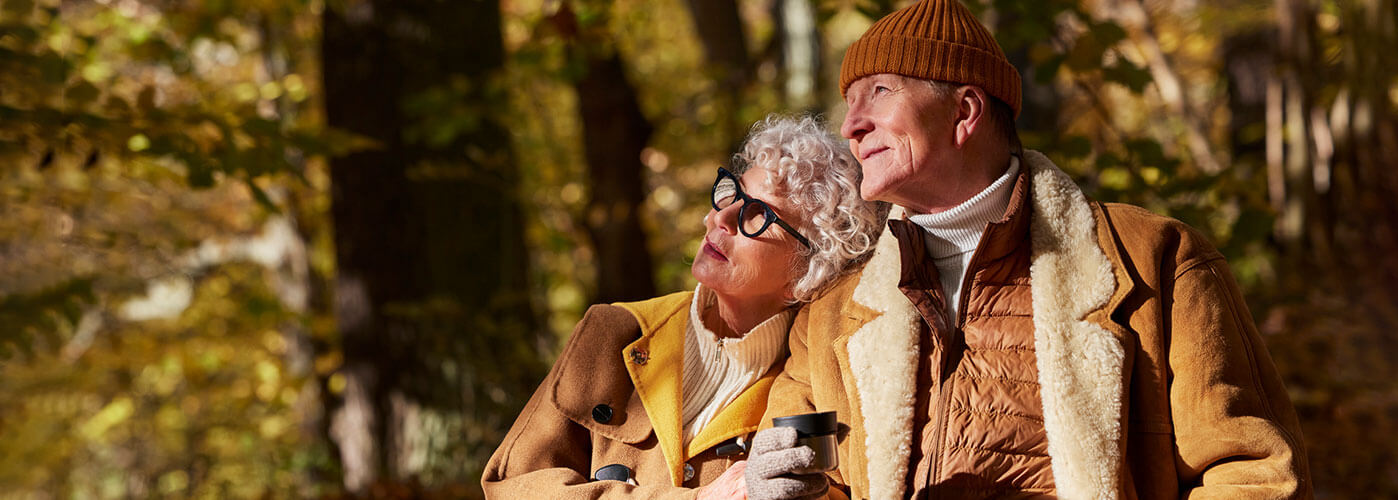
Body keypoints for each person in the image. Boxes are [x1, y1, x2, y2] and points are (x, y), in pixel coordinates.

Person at [743, 1, 1313, 499]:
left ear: (966, 112)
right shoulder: (830, 316)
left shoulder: (1156, 260)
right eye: (848, 100)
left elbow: (1252, 473)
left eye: (880, 91)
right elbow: (810, 481)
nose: (851, 125)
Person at [481, 115, 888, 499]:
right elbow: (510, 485)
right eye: (733, 192)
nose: (720, 218)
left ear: (808, 270)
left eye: (758, 214)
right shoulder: (614, 331)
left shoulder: (808, 383)